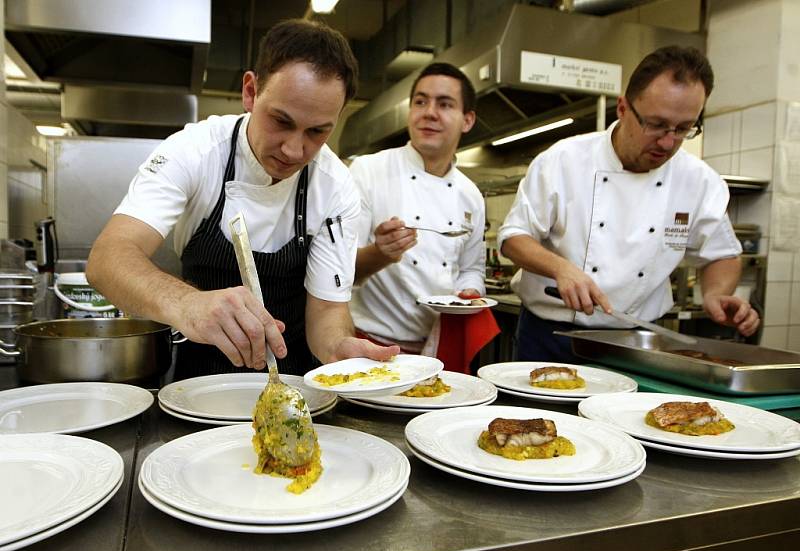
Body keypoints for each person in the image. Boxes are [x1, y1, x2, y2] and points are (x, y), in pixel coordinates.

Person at [87, 19, 397, 378]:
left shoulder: (336, 186)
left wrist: (340, 347)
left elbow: (327, 313)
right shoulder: (196, 151)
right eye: (281, 121)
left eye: (317, 132)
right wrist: (187, 303)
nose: (294, 150)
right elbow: (108, 258)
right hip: (199, 385)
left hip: (298, 383)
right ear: (250, 91)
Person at [498, 45, 760, 363]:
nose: (667, 142)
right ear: (622, 108)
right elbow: (513, 238)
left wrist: (717, 294)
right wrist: (562, 269)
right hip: (550, 337)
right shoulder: (564, 161)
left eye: (683, 129)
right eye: (656, 124)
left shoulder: (698, 181)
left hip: (637, 344)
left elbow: (721, 254)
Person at [348, 62, 487, 355]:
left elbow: (471, 269)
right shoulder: (368, 170)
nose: (429, 113)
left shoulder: (471, 195)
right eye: (420, 102)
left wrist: (471, 292)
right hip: (371, 345)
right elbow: (342, 270)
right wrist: (381, 253)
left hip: (441, 345)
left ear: (467, 120)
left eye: (445, 104)